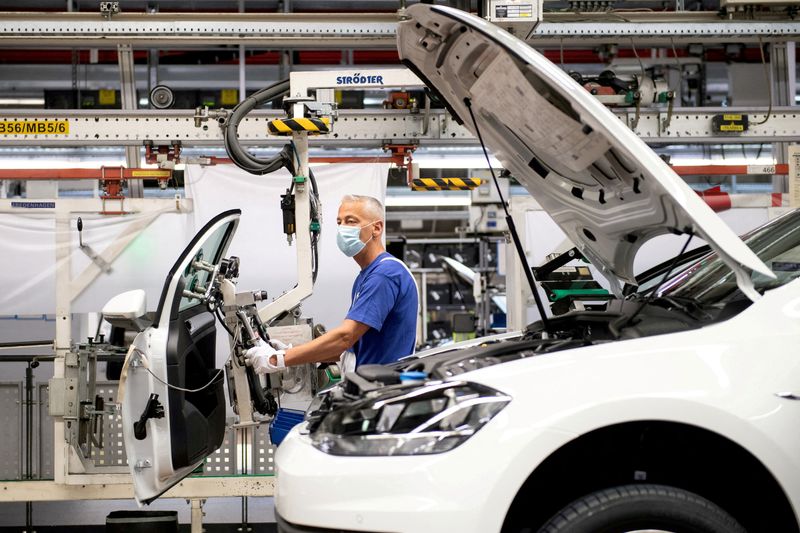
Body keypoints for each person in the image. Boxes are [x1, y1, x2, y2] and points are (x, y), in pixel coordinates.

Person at [245, 194, 418, 374]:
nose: (343, 228)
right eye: (339, 222)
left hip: (384, 391)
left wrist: (276, 360)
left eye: (351, 221)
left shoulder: (385, 274)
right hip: (370, 385)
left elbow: (344, 337)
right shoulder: (367, 276)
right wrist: (288, 352)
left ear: (376, 228)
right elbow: (345, 349)